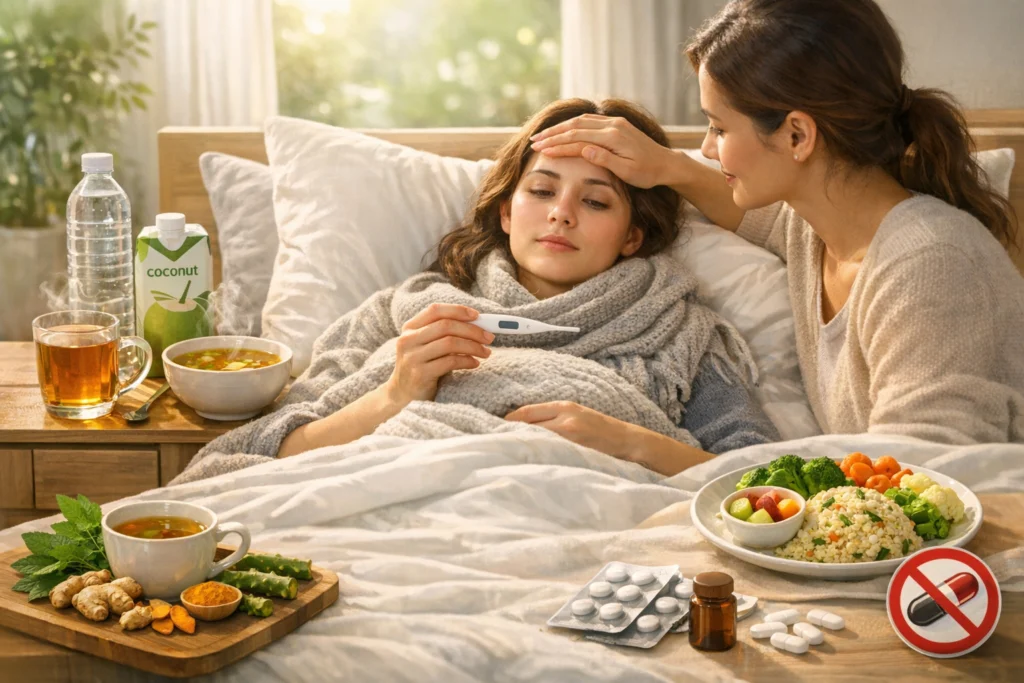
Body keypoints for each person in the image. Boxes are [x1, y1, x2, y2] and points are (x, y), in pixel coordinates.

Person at [178, 98, 779, 484]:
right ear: (507, 213)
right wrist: (395, 394)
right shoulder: (403, 312)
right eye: (541, 191)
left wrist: (625, 440)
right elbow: (263, 456)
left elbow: (757, 482)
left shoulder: (679, 332)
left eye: (596, 202)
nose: (561, 213)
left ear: (632, 237)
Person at [530, 0, 1024, 445]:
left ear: (797, 136)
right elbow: (749, 214)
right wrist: (663, 166)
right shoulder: (817, 229)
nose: (707, 149)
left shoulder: (931, 268)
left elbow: (923, 484)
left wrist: (643, 446)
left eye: (719, 128)